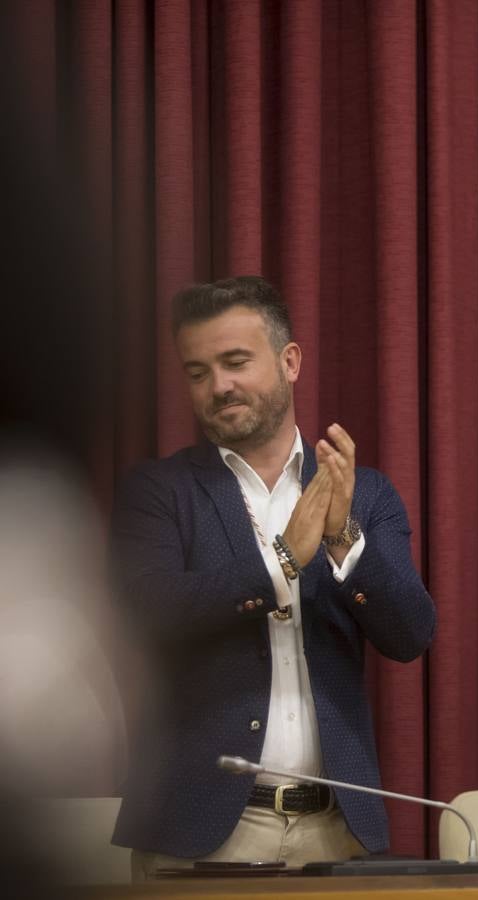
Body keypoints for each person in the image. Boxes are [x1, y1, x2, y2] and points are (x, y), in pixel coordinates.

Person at [110, 276, 437, 875]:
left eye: (235, 362)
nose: (219, 386)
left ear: (290, 361)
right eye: (198, 372)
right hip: (198, 833)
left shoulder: (363, 491)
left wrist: (341, 537)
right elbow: (149, 614)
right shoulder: (158, 492)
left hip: (337, 832)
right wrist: (282, 560)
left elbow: (411, 634)